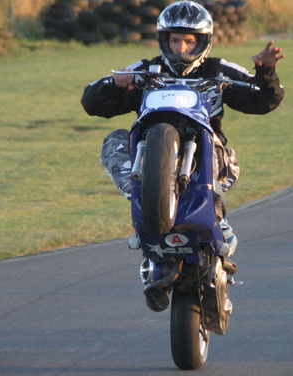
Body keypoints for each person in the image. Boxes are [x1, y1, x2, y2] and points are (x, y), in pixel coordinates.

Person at [81, 1, 285, 255]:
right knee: (115, 141)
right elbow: (91, 102)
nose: (181, 49)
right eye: (175, 41)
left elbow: (265, 100)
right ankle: (144, 202)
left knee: (214, 146)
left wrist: (265, 71)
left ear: (203, 42)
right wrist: (117, 82)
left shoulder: (218, 70)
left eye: (189, 41)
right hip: (150, 153)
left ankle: (217, 216)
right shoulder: (145, 70)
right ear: (163, 40)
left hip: (210, 153)